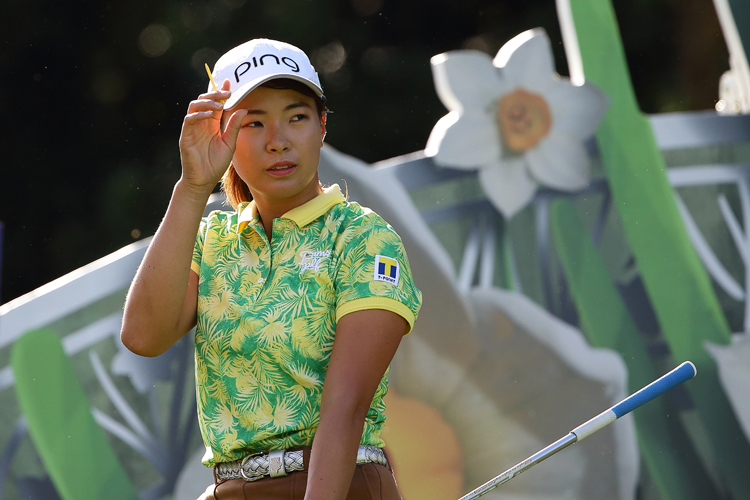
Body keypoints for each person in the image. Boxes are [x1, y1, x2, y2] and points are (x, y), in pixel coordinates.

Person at [120, 38, 422, 500]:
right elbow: (143, 336)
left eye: (296, 117)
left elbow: (345, 406)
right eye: (253, 123)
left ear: (322, 126)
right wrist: (193, 185)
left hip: (336, 486)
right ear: (223, 133)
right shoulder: (213, 238)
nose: (277, 141)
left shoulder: (362, 238)